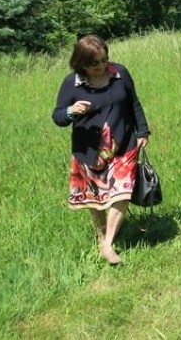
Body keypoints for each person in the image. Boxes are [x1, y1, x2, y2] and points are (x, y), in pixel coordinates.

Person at [52, 35, 150, 265]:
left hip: (123, 144)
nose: (101, 66)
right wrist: (71, 111)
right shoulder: (71, 83)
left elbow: (134, 103)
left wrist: (142, 131)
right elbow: (57, 117)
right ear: (81, 63)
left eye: (104, 60)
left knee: (123, 193)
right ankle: (101, 236)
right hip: (89, 151)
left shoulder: (120, 74)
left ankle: (108, 245)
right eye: (94, 63)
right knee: (94, 199)